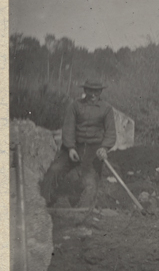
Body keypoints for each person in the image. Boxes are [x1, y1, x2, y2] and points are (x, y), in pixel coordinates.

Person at [41, 80, 116, 208]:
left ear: (101, 92)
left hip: (94, 151)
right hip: (74, 147)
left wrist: (104, 148)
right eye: (90, 90)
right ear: (85, 90)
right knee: (54, 170)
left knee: (90, 182)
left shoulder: (107, 109)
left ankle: (82, 213)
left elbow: (110, 133)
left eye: (96, 91)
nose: (93, 94)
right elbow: (68, 128)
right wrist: (70, 148)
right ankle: (42, 204)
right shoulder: (75, 106)